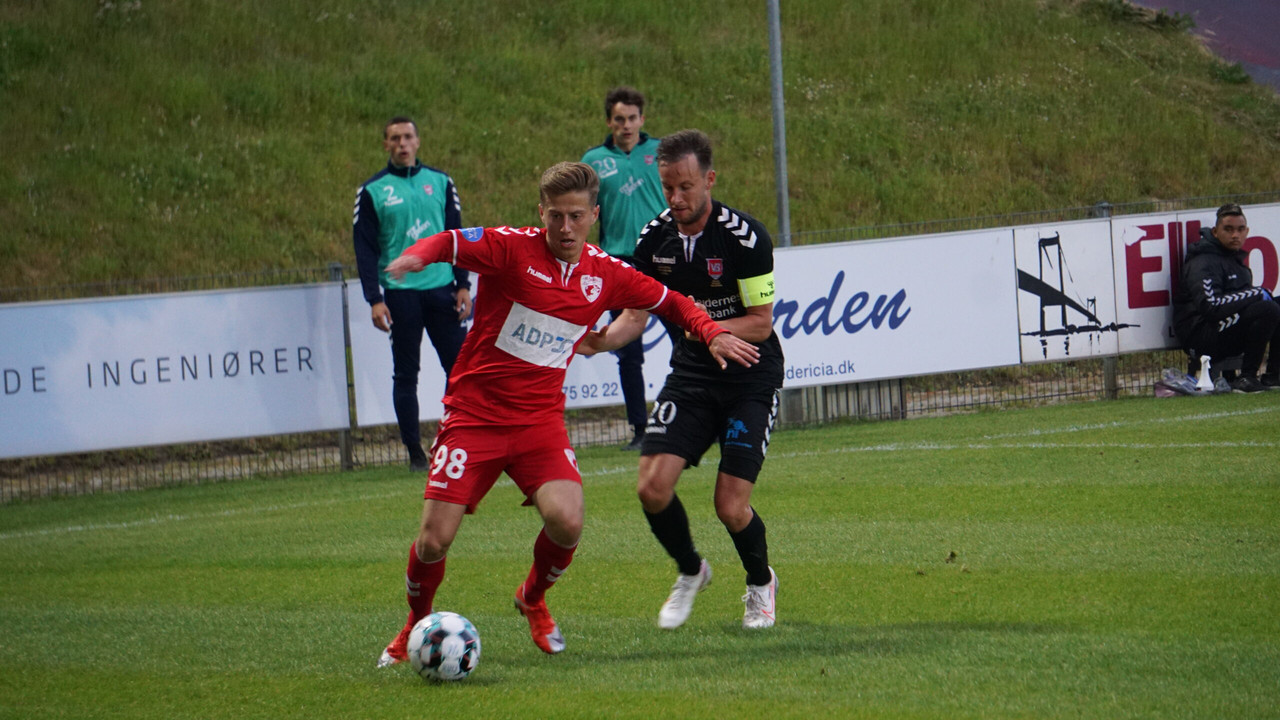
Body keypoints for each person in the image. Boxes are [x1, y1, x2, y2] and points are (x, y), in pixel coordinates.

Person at [374, 161, 760, 665]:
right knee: (433, 540)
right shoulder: (510, 248)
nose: (565, 227)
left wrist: (712, 332)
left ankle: (532, 598)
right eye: (555, 215)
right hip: (474, 417)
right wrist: (416, 256)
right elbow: (449, 242)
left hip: (539, 423)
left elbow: (672, 302)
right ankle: (413, 625)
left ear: (594, 215)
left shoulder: (606, 273)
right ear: (541, 212)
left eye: (576, 216)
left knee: (568, 521)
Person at [588, 129, 786, 630]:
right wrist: (598, 342)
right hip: (693, 375)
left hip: (749, 376)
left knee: (730, 506)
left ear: (709, 180)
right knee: (651, 487)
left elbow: (760, 323)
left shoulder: (746, 237)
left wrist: (704, 326)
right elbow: (635, 315)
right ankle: (691, 570)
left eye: (686, 187)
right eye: (668, 187)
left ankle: (760, 584)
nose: (675, 198)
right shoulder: (653, 239)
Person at [353, 116, 472, 471]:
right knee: (406, 374)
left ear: (418, 141)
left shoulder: (441, 182)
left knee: (462, 370)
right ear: (386, 145)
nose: (402, 144)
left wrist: (463, 284)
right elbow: (365, 249)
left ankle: (456, 440)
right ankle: (415, 454)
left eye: (408, 137)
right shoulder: (373, 191)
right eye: (395, 138)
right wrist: (374, 299)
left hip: (442, 290)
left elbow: (456, 236)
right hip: (401, 294)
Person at [581, 87, 667, 450]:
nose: (627, 125)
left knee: (687, 338)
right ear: (609, 122)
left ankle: (686, 417)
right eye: (619, 119)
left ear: (642, 119)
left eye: (632, 118)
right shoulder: (594, 160)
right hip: (619, 262)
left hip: (664, 256)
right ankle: (640, 429)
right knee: (628, 351)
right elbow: (583, 210)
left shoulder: (661, 152)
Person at [1172, 203, 1280, 393]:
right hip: (1200, 334)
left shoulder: (1235, 260)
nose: (1235, 235)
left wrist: (1255, 295)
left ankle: (1273, 375)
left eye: (1240, 229)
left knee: (1276, 305)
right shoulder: (1203, 261)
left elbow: (1239, 303)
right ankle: (1246, 377)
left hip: (1224, 328)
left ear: (1247, 232)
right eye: (1228, 229)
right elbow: (1210, 307)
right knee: (1267, 308)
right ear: (1215, 232)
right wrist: (1256, 293)